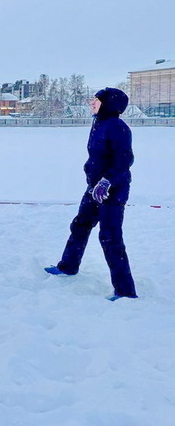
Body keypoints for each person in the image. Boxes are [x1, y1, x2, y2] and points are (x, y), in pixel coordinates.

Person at [45, 87, 137, 301]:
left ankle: (125, 290)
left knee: (110, 236)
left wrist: (107, 181)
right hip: (94, 188)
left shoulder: (118, 127)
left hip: (112, 190)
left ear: (109, 104)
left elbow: (125, 160)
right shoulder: (99, 122)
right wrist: (94, 180)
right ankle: (68, 266)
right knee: (80, 225)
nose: (92, 103)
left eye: (96, 100)